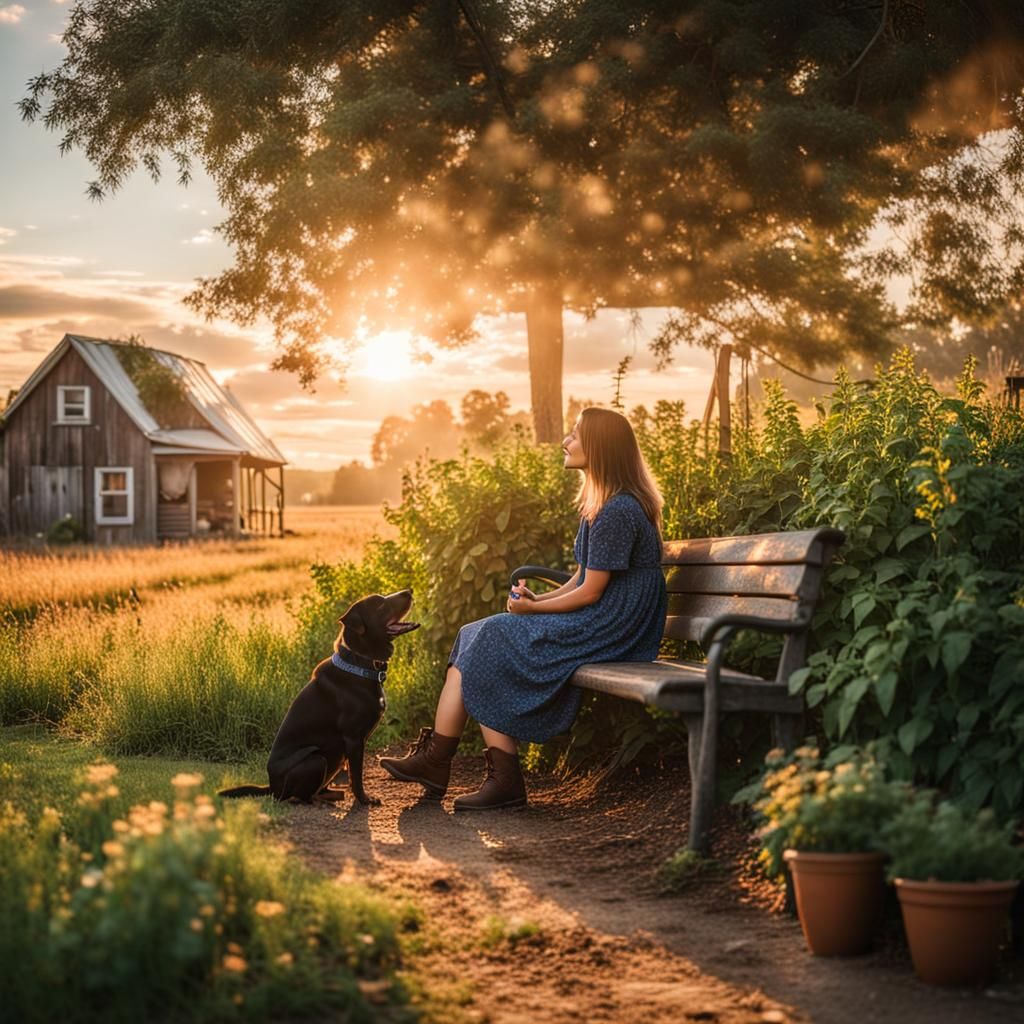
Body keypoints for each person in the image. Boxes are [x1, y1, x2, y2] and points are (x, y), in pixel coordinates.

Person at [380, 406, 667, 810]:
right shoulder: (600, 505)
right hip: (604, 616)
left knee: (494, 636)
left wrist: (535, 613)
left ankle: (498, 779)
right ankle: (439, 761)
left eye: (574, 435)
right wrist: (538, 600)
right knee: (474, 632)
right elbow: (581, 579)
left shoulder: (618, 509)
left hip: (616, 626)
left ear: (599, 448)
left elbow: (591, 594)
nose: (565, 442)